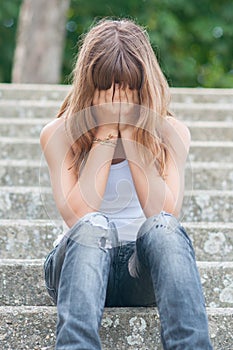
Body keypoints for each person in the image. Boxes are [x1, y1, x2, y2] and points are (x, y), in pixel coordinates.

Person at [40, 18, 213, 350]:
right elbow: (79, 216)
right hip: (79, 268)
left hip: (140, 271)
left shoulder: (171, 133)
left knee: (163, 228)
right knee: (94, 225)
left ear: (144, 86)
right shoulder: (59, 133)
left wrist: (134, 136)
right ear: (89, 85)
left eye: (128, 87)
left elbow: (163, 214)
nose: (118, 98)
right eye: (107, 86)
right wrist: (105, 132)